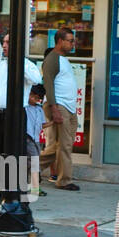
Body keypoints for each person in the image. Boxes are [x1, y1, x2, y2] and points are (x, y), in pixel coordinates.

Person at [0, 36, 42, 201]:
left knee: (16, 157)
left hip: (14, 116)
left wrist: (19, 62)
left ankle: (18, 197)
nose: (5, 46)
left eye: (9, 42)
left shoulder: (27, 65)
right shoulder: (0, 66)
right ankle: (3, 196)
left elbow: (36, 79)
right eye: (5, 42)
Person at [40, 26, 80, 191]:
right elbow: (48, 84)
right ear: (60, 41)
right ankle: (64, 180)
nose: (72, 44)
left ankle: (30, 169)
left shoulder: (63, 59)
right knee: (64, 145)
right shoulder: (52, 59)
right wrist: (54, 108)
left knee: (61, 145)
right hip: (59, 106)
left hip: (69, 107)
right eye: (70, 41)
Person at [24, 84, 47, 199]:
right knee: (33, 163)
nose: (35, 99)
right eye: (32, 96)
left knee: (32, 163)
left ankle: (33, 186)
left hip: (36, 140)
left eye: (38, 98)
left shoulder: (39, 109)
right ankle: (35, 188)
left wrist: (53, 123)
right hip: (27, 138)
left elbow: (42, 124)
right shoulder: (24, 107)